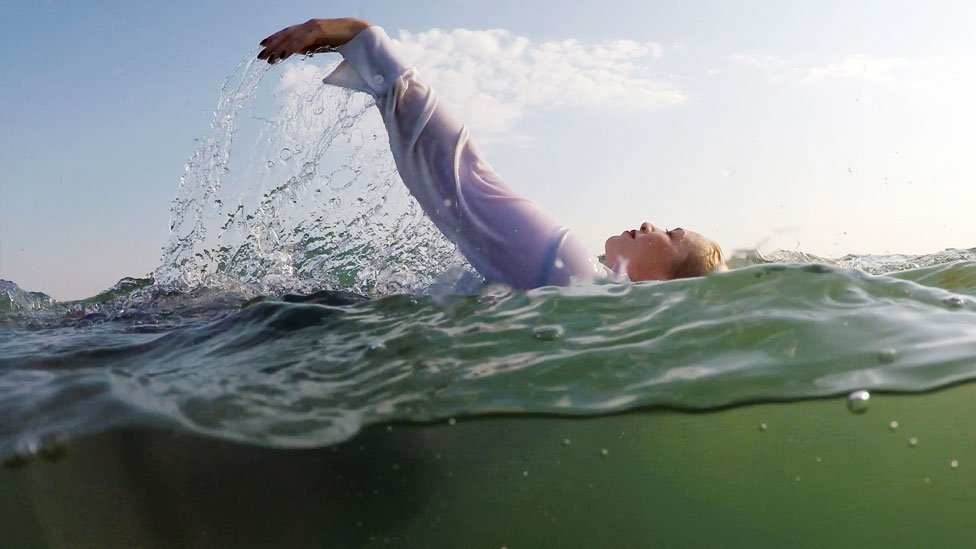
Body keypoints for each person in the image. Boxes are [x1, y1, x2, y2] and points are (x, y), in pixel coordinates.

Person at [258, 18, 726, 289]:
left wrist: (361, 37)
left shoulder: (570, 268)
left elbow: (460, 174)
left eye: (672, 234)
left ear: (666, 288)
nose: (651, 224)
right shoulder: (585, 300)